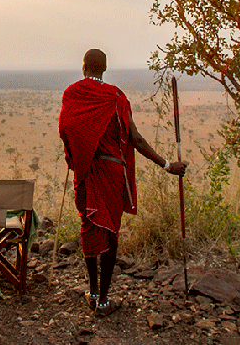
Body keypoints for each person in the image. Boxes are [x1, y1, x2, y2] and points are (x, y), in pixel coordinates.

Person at [59, 49, 186, 316]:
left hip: (89, 172)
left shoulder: (73, 93)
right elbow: (136, 139)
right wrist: (167, 165)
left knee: (90, 226)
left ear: (83, 67)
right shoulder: (116, 97)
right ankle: (103, 300)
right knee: (109, 232)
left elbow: (66, 129)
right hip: (113, 172)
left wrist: (76, 158)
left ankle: (93, 292)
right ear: (103, 69)